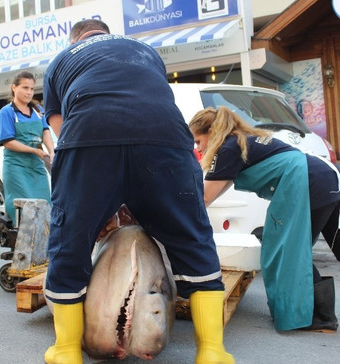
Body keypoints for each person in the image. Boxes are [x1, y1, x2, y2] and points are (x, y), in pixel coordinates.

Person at [42, 19, 234, 364]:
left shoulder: (62, 58)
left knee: (69, 239)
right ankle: (212, 351)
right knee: (192, 237)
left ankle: (67, 350)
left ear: (76, 39)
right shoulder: (145, 51)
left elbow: (61, 126)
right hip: (165, 136)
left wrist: (97, 202)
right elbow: (147, 102)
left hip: (89, 133)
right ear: (107, 33)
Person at [189, 106, 340, 334]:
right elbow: (219, 186)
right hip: (331, 178)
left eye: (198, 141)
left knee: (288, 248)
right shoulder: (244, 140)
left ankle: (323, 316)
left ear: (211, 131)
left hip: (311, 184)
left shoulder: (228, 148)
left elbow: (206, 196)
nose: (198, 148)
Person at [0, 71, 55, 225]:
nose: (29, 92)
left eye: (31, 88)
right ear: (14, 87)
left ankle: (44, 245)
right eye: (25, 87)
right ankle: (23, 243)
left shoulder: (38, 110)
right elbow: (8, 142)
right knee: (25, 207)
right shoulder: (6, 112)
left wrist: (51, 150)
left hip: (36, 166)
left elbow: (46, 131)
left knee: (44, 204)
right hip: (16, 167)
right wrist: (35, 150)